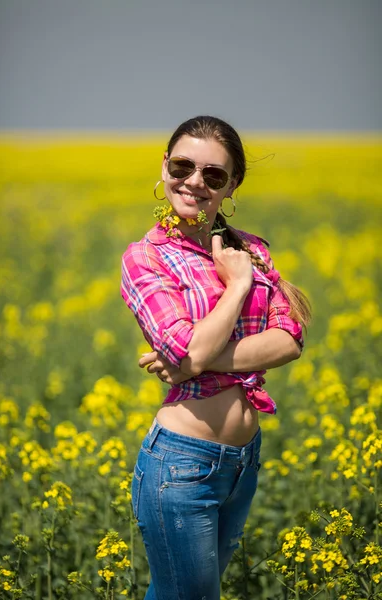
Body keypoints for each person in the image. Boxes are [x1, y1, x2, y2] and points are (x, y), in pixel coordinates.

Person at [120, 115, 311, 600]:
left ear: (232, 186)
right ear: (165, 168)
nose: (195, 182)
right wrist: (239, 285)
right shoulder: (146, 258)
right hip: (182, 465)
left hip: (243, 462)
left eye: (214, 175)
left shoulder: (254, 249)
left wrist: (193, 362)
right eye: (183, 166)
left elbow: (288, 339)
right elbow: (191, 348)